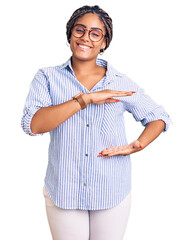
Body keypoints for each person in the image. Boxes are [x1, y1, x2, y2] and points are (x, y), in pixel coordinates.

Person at [21, 5, 171, 240]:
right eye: (79, 30)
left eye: (95, 33)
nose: (85, 38)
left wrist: (137, 144)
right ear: (70, 34)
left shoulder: (120, 81)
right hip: (64, 191)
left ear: (104, 42)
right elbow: (33, 125)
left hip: (111, 191)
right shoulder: (47, 78)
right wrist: (85, 99)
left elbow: (159, 116)